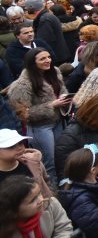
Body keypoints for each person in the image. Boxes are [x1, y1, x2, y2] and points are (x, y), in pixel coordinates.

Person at [7, 48, 70, 180]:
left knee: (62, 157)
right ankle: (52, 193)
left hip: (58, 121)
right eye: (42, 59)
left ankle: (65, 184)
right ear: (32, 62)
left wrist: (65, 97)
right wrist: (50, 106)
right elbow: (22, 113)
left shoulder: (55, 72)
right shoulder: (22, 85)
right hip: (40, 127)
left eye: (48, 57)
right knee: (49, 163)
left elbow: (61, 89)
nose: (48, 61)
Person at [0, 175, 73, 238]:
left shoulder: (50, 204)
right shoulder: (4, 226)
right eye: (32, 200)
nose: (41, 199)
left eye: (39, 193)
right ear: (14, 210)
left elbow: (64, 228)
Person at [0, 129, 51, 196]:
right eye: (11, 146)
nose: (19, 148)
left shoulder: (31, 162)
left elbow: (46, 182)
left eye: (21, 143)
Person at [25, 0, 70, 66]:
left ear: (32, 7)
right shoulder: (47, 15)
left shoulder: (45, 19)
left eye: (27, 7)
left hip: (55, 56)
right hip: (58, 54)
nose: (26, 9)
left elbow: (44, 40)